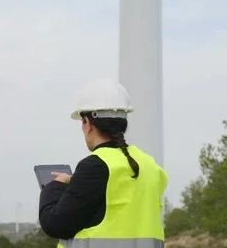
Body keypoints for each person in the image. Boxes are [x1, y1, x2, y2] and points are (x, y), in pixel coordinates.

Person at [38, 78, 168, 248]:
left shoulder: (94, 167)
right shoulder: (150, 166)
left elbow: (55, 224)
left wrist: (55, 186)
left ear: (88, 123)